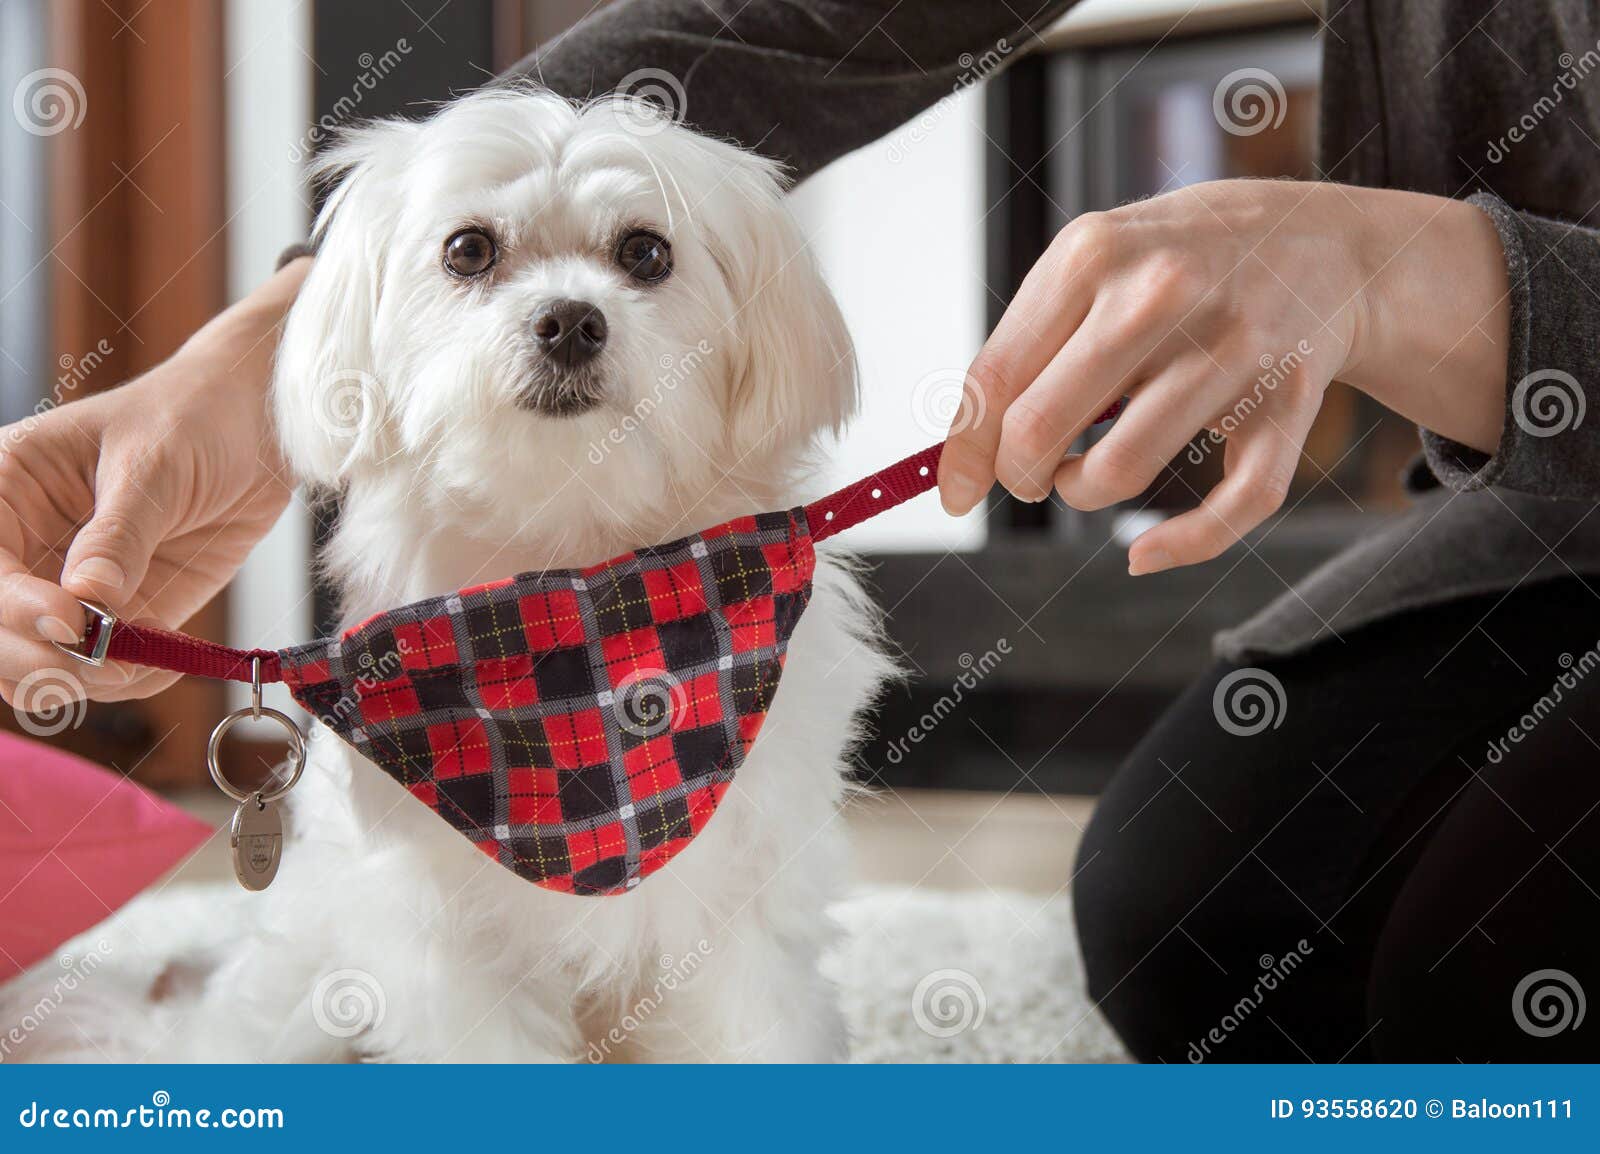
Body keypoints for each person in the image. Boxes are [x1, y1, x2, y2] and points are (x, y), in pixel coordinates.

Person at [3, 0, 1596, 1061]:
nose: (566, 313)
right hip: (1550, 536)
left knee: (1484, 988)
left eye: (640, 255)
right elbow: (804, 15)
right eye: (478, 257)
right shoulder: (393, 641)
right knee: (1205, 920)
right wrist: (252, 351)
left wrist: (1433, 279)